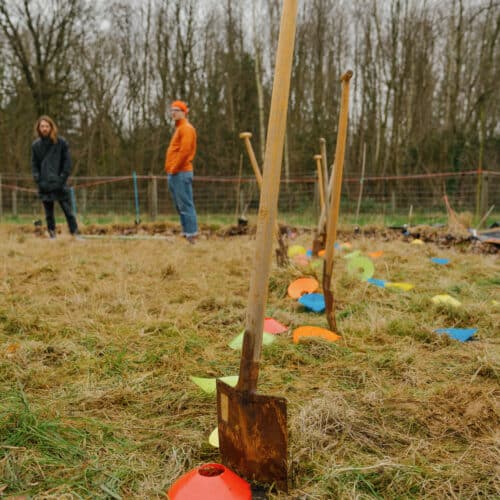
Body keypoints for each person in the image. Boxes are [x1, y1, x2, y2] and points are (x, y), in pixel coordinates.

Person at [31, 116, 79, 239]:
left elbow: (67, 163)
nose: (44, 129)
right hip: (44, 184)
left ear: (51, 127)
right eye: (42, 126)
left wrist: (62, 179)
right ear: (38, 128)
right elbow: (34, 165)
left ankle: (75, 234)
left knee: (68, 211)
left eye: (47, 126)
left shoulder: (61, 142)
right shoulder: (35, 145)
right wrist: (38, 179)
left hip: (59, 183)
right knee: (49, 214)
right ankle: (52, 235)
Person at [164, 100, 198, 243]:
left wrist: (174, 168)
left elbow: (185, 152)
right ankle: (186, 232)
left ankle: (191, 234)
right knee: (180, 205)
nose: (173, 113)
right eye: (172, 110)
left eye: (176, 110)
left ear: (184, 112)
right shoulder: (179, 128)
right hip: (175, 172)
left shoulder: (186, 129)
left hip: (181, 172)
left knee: (185, 204)